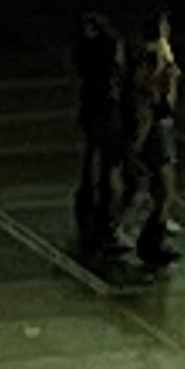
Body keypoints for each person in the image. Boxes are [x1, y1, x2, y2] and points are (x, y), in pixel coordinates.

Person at [130, 11, 182, 267]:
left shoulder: (155, 53)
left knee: (163, 189)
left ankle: (155, 237)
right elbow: (148, 93)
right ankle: (151, 241)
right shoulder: (154, 55)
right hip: (156, 127)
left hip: (159, 125)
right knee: (165, 190)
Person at [73, 13, 126, 254]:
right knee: (109, 164)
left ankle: (90, 205)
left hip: (94, 108)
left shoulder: (87, 59)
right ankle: (108, 220)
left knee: (94, 155)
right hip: (105, 109)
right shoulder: (109, 58)